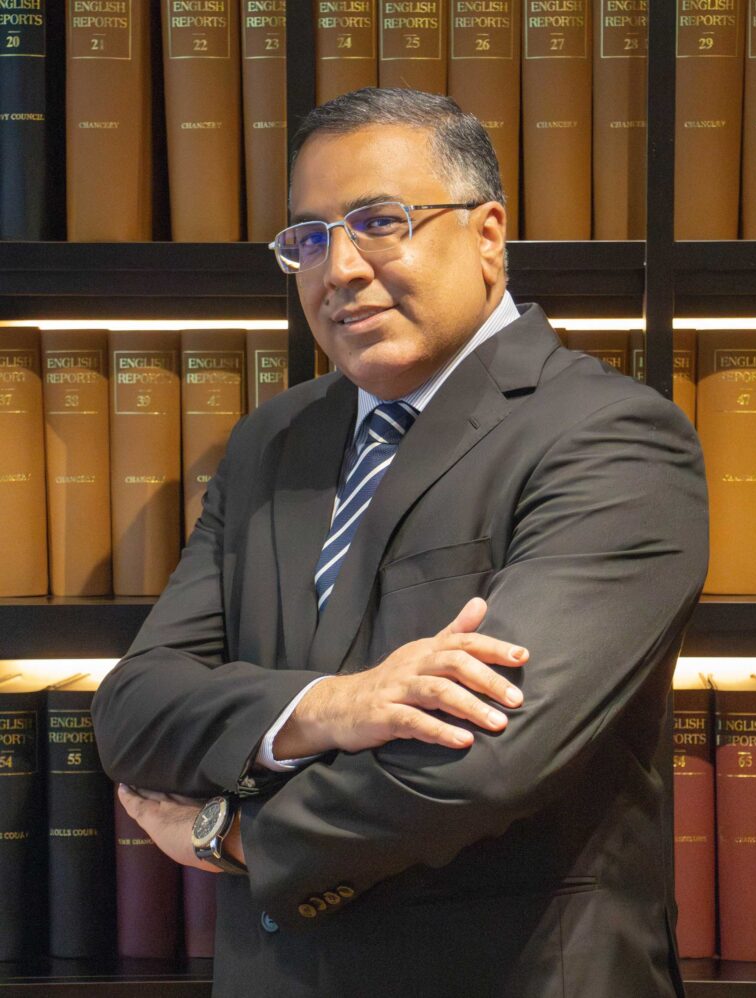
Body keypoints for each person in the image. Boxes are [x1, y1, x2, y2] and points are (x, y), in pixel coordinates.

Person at [92, 88, 708, 998]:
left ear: (489, 234)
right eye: (307, 238)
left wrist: (238, 835)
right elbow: (134, 709)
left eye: (380, 221)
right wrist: (334, 707)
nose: (337, 268)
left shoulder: (611, 436)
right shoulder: (273, 441)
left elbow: (488, 761)